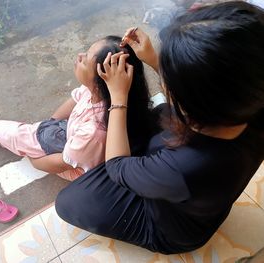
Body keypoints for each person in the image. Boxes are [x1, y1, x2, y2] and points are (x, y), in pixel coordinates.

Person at [55, 1, 264, 254]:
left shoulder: (186, 166)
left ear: (197, 104)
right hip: (196, 199)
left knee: (68, 202)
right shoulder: (249, 106)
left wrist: (118, 98)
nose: (165, 85)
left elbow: (117, 166)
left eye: (171, 79)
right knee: (153, 119)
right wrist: (153, 59)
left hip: (171, 231)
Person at [0, 36, 153, 181]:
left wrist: (35, 160)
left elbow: (62, 163)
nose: (79, 55)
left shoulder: (94, 132)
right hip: (75, 141)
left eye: (85, 59)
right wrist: (52, 122)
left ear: (102, 81)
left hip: (75, 166)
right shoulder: (106, 95)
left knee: (24, 136)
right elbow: (74, 99)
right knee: (36, 132)